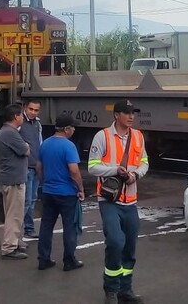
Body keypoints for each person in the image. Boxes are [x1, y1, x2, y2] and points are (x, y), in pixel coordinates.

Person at [89, 99, 149, 304]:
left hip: (130, 202)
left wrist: (136, 175)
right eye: (126, 113)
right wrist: (115, 169)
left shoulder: (138, 137)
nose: (131, 116)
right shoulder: (102, 136)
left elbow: (145, 162)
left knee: (129, 247)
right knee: (115, 242)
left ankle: (126, 290)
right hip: (109, 201)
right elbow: (92, 167)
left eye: (133, 113)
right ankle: (111, 290)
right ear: (116, 115)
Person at [36, 112, 85, 272]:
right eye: (73, 128)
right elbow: (74, 171)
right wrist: (80, 189)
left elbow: (39, 167)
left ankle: (43, 259)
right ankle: (69, 261)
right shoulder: (69, 146)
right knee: (69, 227)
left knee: (46, 226)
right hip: (67, 194)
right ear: (66, 129)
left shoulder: (45, 144)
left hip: (48, 192)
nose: (74, 130)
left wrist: (44, 183)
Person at [0, 103, 30, 260]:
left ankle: (15, 241)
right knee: (14, 214)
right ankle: (9, 247)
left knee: (13, 212)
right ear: (16, 116)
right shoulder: (10, 133)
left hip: (10, 178)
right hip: (13, 180)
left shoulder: (5, 132)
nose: (23, 118)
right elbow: (25, 150)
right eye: (21, 115)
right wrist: (27, 145)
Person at [20, 99, 42, 242]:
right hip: (25, 167)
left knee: (32, 199)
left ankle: (29, 229)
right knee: (25, 201)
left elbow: (40, 142)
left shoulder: (38, 124)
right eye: (31, 109)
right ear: (25, 108)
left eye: (36, 110)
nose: (33, 112)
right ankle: (20, 232)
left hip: (36, 167)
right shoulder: (19, 123)